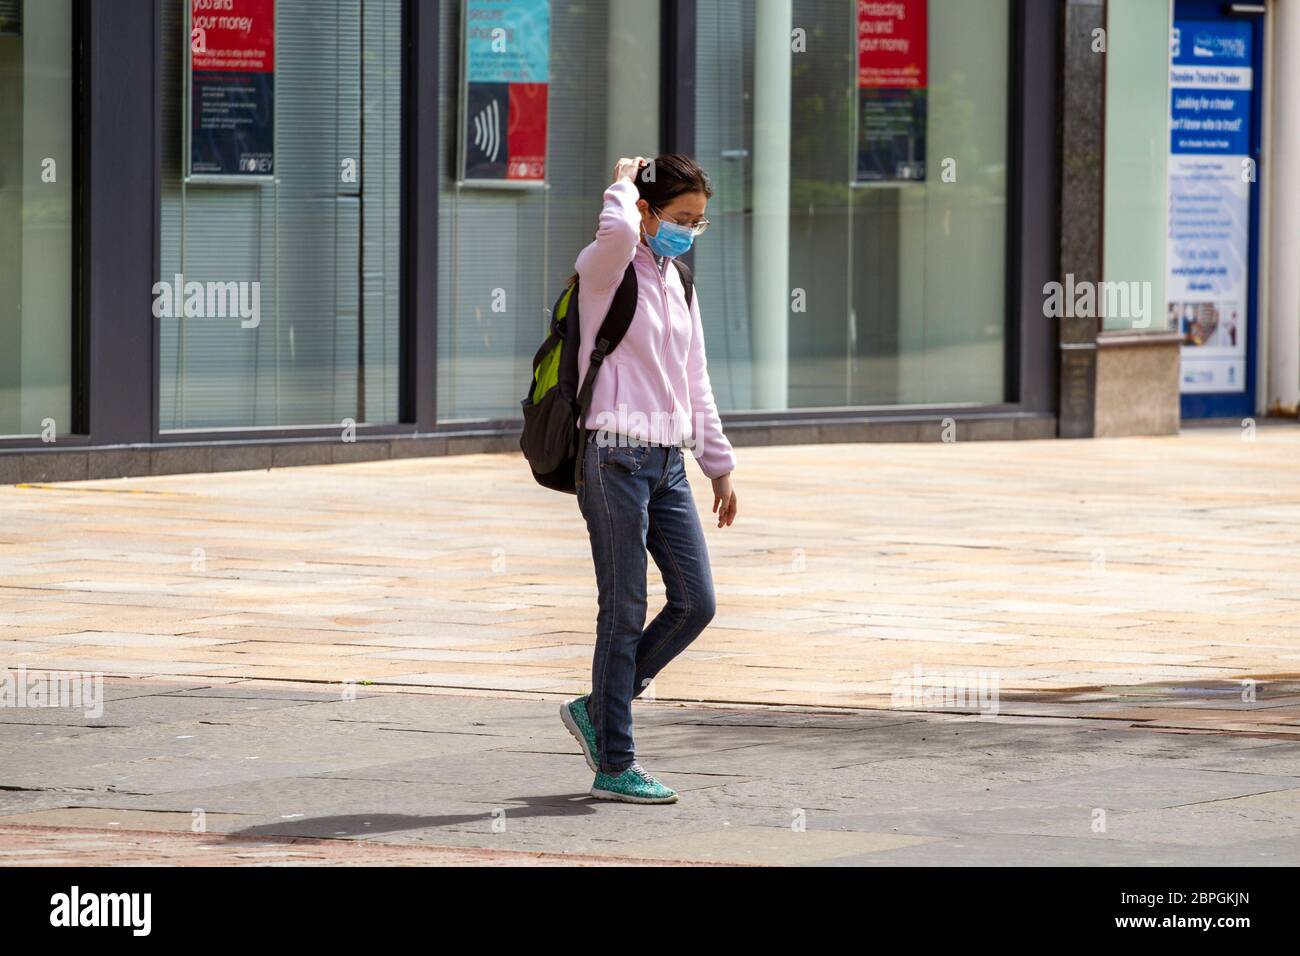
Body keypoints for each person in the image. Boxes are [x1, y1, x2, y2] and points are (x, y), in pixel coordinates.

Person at [559, 154, 739, 804]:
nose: (689, 230)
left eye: (699, 222)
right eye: (680, 218)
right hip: (611, 456)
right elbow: (612, 236)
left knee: (696, 601)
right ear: (645, 211)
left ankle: (598, 710)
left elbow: (694, 382)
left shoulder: (678, 281)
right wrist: (620, 180)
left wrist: (717, 465)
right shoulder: (607, 269)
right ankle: (615, 762)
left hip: (665, 464)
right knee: (625, 608)